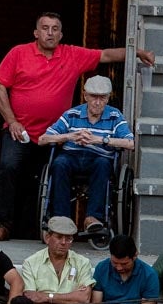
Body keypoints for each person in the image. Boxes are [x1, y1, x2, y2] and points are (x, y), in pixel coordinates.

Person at [0, 12, 154, 241]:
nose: (50, 32)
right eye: (45, 28)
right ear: (36, 33)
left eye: (55, 29)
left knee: (44, 179)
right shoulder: (19, 53)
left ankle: (41, 230)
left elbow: (106, 55)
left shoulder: (72, 55)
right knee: (8, 169)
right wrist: (13, 121)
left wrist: (136, 52)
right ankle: (3, 225)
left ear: (61, 34)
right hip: (20, 131)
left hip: (58, 135)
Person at [39, 75, 134, 232]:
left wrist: (100, 140)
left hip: (99, 158)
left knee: (103, 165)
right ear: (85, 96)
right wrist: (69, 136)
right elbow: (43, 139)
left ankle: (93, 218)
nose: (97, 102)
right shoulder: (72, 114)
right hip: (71, 157)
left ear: (108, 98)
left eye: (102, 98)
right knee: (59, 164)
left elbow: (130, 143)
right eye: (93, 97)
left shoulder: (114, 116)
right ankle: (61, 218)